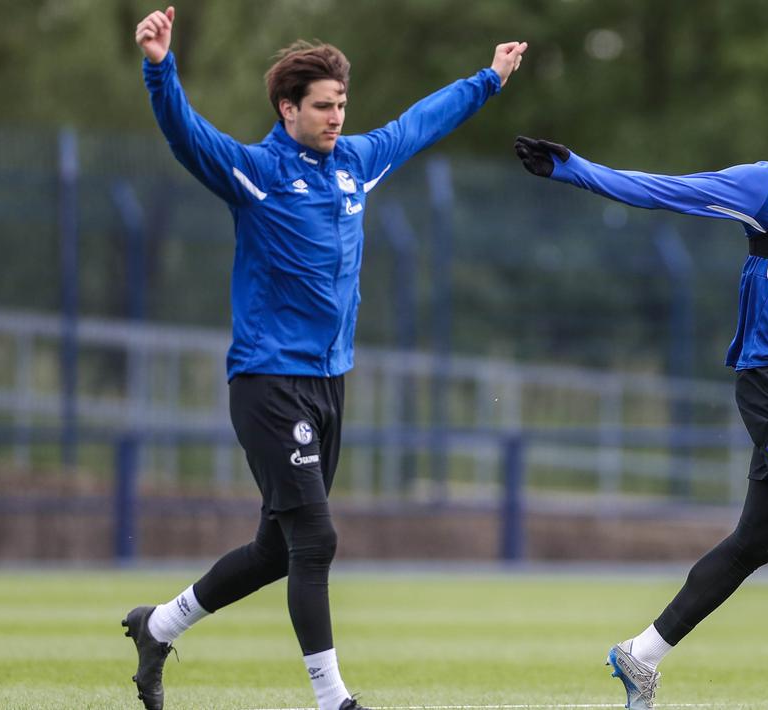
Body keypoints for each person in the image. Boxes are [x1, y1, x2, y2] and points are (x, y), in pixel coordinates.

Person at [124, 7, 526, 710]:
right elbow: (187, 136)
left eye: (341, 103)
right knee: (316, 539)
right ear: (287, 108)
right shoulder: (255, 173)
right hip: (267, 382)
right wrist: (162, 69)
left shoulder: (357, 164)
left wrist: (486, 80)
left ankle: (158, 626)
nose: (336, 115)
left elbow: (417, 123)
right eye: (322, 105)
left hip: (329, 384)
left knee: (277, 551)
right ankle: (331, 699)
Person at [514, 64, 768, 710]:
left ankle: (639, 656)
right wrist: (573, 168)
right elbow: (665, 191)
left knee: (756, 542)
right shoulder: (767, 189)